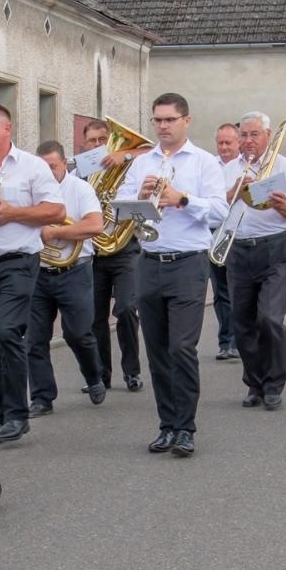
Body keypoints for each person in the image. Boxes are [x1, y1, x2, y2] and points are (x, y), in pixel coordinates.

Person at [121, 92, 228, 457]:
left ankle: (185, 428)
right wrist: (140, 196)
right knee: (156, 349)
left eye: (169, 120)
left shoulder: (204, 163)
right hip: (149, 261)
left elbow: (220, 212)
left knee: (181, 347)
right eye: (158, 120)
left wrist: (181, 199)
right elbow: (121, 210)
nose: (163, 126)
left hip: (188, 263)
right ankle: (167, 425)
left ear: (186, 121)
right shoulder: (142, 162)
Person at [0, 102, 65, 444]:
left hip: (19, 262)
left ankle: (17, 414)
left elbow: (56, 210)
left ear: (7, 129)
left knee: (7, 331)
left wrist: (13, 213)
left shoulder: (31, 166)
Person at [225, 111, 286, 411]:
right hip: (238, 248)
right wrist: (234, 191)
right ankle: (254, 383)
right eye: (244, 135)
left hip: (273, 247)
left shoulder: (284, 166)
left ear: (268, 136)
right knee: (242, 321)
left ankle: (273, 384)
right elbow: (215, 209)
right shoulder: (228, 168)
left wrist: (281, 204)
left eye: (254, 135)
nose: (248, 141)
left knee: (270, 318)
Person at [26, 141, 107, 418]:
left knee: (78, 333)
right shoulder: (31, 190)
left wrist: (54, 233)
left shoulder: (80, 189)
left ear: (64, 164)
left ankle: (94, 376)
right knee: (34, 339)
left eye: (52, 167)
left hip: (75, 270)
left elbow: (95, 225)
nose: (47, 173)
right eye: (43, 167)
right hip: (39, 271)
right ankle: (42, 398)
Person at [82, 119, 146, 396]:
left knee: (126, 309)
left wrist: (126, 154)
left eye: (103, 140)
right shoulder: (81, 172)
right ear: (85, 145)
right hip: (93, 252)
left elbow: (154, 151)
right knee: (94, 316)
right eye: (93, 141)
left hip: (124, 249)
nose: (98, 145)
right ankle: (101, 375)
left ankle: (132, 372)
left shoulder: (128, 163)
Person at [210, 122, 242, 360]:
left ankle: (241, 339)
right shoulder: (209, 166)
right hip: (215, 233)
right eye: (220, 143)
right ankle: (226, 341)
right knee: (221, 291)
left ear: (238, 143)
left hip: (240, 234)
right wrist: (233, 192)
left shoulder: (248, 166)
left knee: (239, 290)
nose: (223, 147)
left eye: (228, 143)